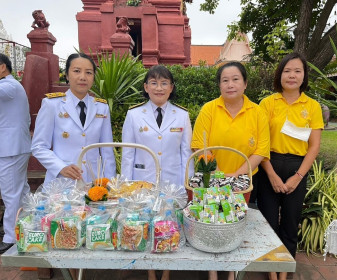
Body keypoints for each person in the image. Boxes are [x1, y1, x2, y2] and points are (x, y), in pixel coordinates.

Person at [191, 61, 270, 280]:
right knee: (210, 223)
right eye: (225, 80)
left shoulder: (257, 112)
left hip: (241, 182)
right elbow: (200, 144)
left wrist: (236, 174)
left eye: (235, 79)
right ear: (219, 85)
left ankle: (232, 273)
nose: (230, 84)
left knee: (234, 224)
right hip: (211, 180)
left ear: (245, 83)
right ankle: (213, 273)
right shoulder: (209, 109)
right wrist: (216, 173)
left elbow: (261, 150)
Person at [121, 65, 193, 280]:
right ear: (146, 87)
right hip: (142, 183)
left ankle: (167, 271)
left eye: (164, 83)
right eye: (153, 83)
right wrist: (126, 186)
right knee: (146, 225)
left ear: (171, 88)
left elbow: (186, 155)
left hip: (173, 184)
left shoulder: (182, 115)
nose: (159, 88)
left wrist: (187, 187)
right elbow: (128, 153)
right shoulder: (133, 115)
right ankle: (151, 271)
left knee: (170, 226)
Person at [257, 52, 324, 280]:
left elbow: (313, 147)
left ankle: (284, 273)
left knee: (290, 223)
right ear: (280, 75)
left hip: (298, 166)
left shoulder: (312, 106)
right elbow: (260, 144)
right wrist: (272, 175)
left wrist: (297, 176)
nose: (292, 75)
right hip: (269, 165)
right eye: (287, 71)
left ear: (304, 76)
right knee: (268, 223)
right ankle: (271, 272)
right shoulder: (267, 103)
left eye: (297, 71)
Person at [31, 53, 116, 185]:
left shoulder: (101, 107)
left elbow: (107, 150)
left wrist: (109, 183)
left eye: (88, 72)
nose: (83, 77)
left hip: (94, 182)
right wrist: (61, 167)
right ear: (66, 75)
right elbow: (39, 146)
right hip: (62, 182)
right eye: (77, 71)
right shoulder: (52, 104)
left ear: (94, 77)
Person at [0, 53, 31, 254]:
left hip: (11, 149)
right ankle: (29, 225)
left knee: (10, 193)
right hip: (13, 147)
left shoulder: (9, 87)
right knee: (21, 191)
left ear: (2, 67)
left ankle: (11, 236)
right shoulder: (10, 87)